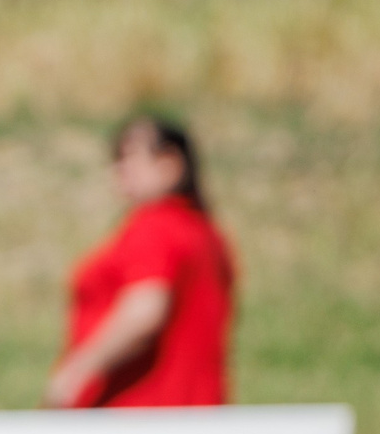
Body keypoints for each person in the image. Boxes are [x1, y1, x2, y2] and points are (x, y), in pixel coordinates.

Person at [42, 114, 237, 410]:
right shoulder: (206, 234)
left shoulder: (155, 226)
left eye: (131, 157)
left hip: (137, 414)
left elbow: (144, 308)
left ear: (170, 163)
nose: (120, 169)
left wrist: (77, 371)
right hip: (198, 412)